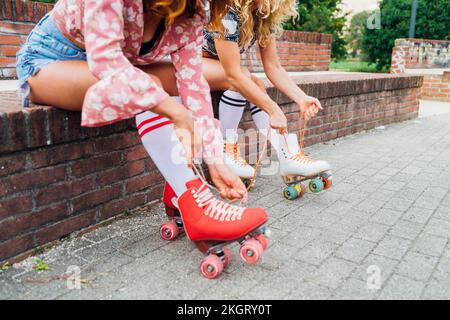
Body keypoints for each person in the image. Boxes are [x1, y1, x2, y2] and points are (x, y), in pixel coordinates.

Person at [15, 0, 269, 264]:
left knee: (180, 82)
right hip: (51, 61)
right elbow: (107, 61)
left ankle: (185, 188)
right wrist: (176, 112)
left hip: (116, 69)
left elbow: (193, 85)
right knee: (151, 86)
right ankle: (196, 204)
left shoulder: (195, 9)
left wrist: (215, 161)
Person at [201, 0, 331, 183]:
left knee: (255, 84)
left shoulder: (261, 17)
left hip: (219, 68)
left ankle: (287, 155)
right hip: (191, 63)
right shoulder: (227, 12)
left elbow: (273, 67)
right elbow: (234, 75)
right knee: (244, 77)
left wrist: (301, 98)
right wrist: (273, 110)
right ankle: (225, 148)